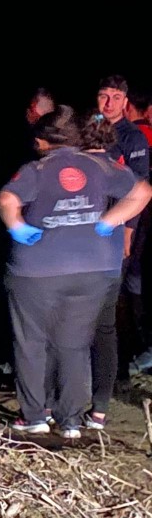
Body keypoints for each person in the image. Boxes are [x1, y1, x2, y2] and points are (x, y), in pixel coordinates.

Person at [0, 105, 152, 438]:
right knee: (74, 344)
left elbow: (7, 199)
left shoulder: (37, 169)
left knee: (32, 342)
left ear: (42, 142)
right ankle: (71, 421)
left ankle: (35, 416)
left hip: (37, 270)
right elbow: (142, 191)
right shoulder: (100, 166)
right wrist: (109, 222)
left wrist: (17, 228)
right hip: (93, 269)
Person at [96, 75, 151, 380]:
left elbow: (140, 188)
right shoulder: (89, 130)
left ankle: (120, 369)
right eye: (103, 96)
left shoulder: (133, 138)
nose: (108, 103)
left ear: (125, 102)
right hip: (89, 224)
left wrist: (129, 233)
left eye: (115, 97)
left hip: (120, 225)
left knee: (116, 296)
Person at [79, 109, 127, 431]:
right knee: (105, 332)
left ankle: (60, 406)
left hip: (76, 261)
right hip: (109, 261)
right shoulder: (120, 170)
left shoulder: (73, 168)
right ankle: (99, 410)